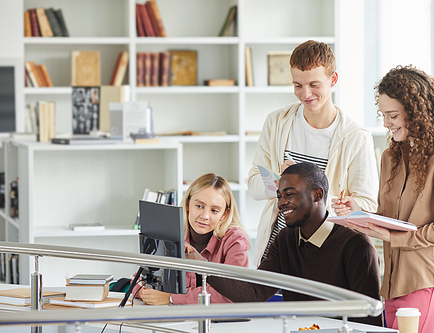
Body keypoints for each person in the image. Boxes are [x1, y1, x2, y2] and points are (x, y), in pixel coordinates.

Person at [333, 65, 434, 332]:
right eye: (383, 115)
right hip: (391, 284)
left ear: (416, 114)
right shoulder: (390, 158)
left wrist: (396, 238)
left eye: (393, 115)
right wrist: (358, 212)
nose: (386, 123)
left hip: (427, 280)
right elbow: (388, 219)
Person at [248, 40, 379, 265]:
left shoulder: (356, 137)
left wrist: (339, 204)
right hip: (278, 251)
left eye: (314, 85)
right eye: (297, 85)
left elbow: (367, 205)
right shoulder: (277, 123)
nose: (305, 93)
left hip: (326, 256)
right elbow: (253, 184)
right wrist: (282, 183)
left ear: (333, 80)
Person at [207, 163, 382, 327]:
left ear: (317, 194)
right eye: (279, 196)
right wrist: (204, 267)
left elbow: (370, 321)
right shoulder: (285, 239)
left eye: (289, 194)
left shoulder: (356, 246)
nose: (282, 202)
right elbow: (255, 293)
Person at [133, 173, 250, 305]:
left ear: (225, 214)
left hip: (217, 322)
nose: (205, 216)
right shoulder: (172, 232)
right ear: (188, 204)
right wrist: (145, 292)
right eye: (199, 206)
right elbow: (138, 281)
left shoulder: (235, 240)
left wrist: (171, 297)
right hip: (175, 319)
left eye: (215, 210)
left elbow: (233, 294)